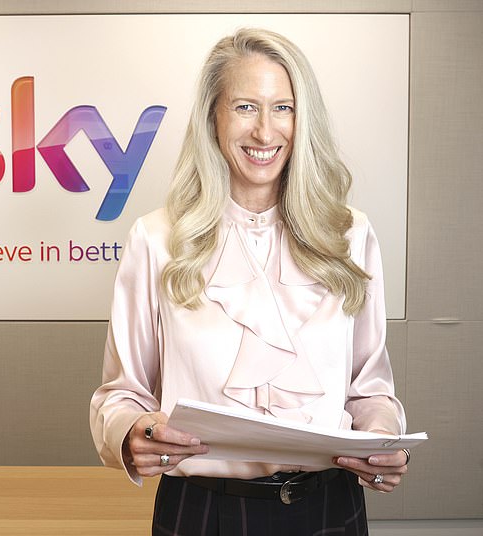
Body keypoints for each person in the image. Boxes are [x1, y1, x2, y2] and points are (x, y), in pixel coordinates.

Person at [90, 28, 409, 535]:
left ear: (303, 120)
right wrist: (133, 431)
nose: (264, 132)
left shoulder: (351, 234)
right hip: (203, 510)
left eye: (283, 108)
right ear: (212, 117)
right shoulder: (156, 239)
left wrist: (383, 440)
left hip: (331, 506)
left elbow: (369, 390)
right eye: (245, 107)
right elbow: (121, 394)